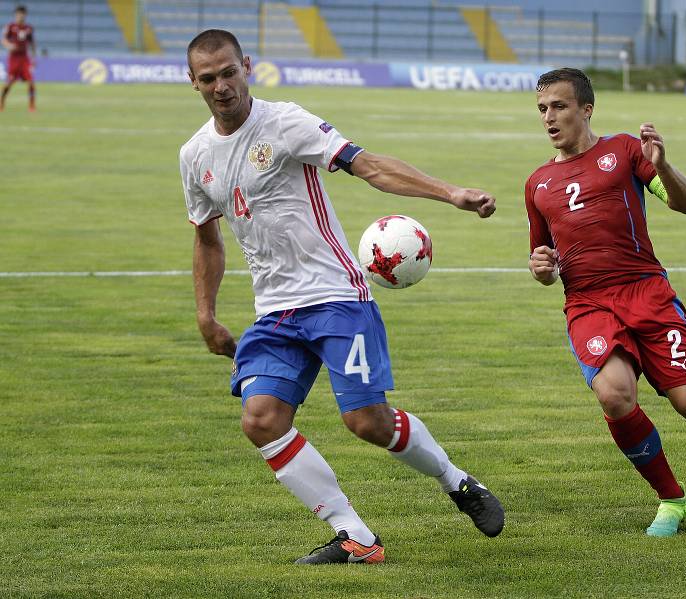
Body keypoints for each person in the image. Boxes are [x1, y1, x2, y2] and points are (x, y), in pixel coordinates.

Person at [179, 29, 504, 565]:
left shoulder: (285, 122)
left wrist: (451, 194)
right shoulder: (194, 155)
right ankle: (356, 537)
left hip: (335, 297)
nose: (221, 86)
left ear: (247, 67)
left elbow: (368, 165)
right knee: (260, 419)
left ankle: (456, 480)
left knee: (367, 422)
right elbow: (206, 237)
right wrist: (205, 314)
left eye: (229, 72)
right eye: (208, 78)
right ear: (192, 82)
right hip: (275, 311)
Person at [525, 68, 686, 537]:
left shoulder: (625, 150)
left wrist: (663, 165)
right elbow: (543, 257)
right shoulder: (537, 184)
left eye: (559, 106)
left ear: (587, 109)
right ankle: (672, 499)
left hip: (647, 293)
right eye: (543, 108)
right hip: (588, 304)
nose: (549, 117)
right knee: (613, 394)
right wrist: (542, 268)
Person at [1, 5, 35, 112]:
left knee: (31, 82)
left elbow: (32, 43)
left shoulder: (28, 28)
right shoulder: (10, 26)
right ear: (16, 15)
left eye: (23, 14)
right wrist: (8, 45)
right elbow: (3, 40)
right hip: (14, 59)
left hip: (24, 58)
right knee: (9, 83)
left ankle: (31, 106)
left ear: (25, 15)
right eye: (19, 14)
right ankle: (1, 102)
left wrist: (33, 58)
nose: (21, 16)